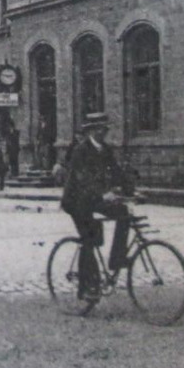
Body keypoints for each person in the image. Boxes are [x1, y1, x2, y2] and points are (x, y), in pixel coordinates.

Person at [60, 119, 135, 306]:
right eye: (100, 129)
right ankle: (89, 286)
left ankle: (117, 259)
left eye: (105, 129)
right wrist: (103, 193)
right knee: (90, 239)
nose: (104, 132)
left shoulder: (105, 149)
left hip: (95, 199)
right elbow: (83, 178)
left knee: (124, 212)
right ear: (91, 131)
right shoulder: (80, 151)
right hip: (77, 201)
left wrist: (131, 191)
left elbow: (116, 171)